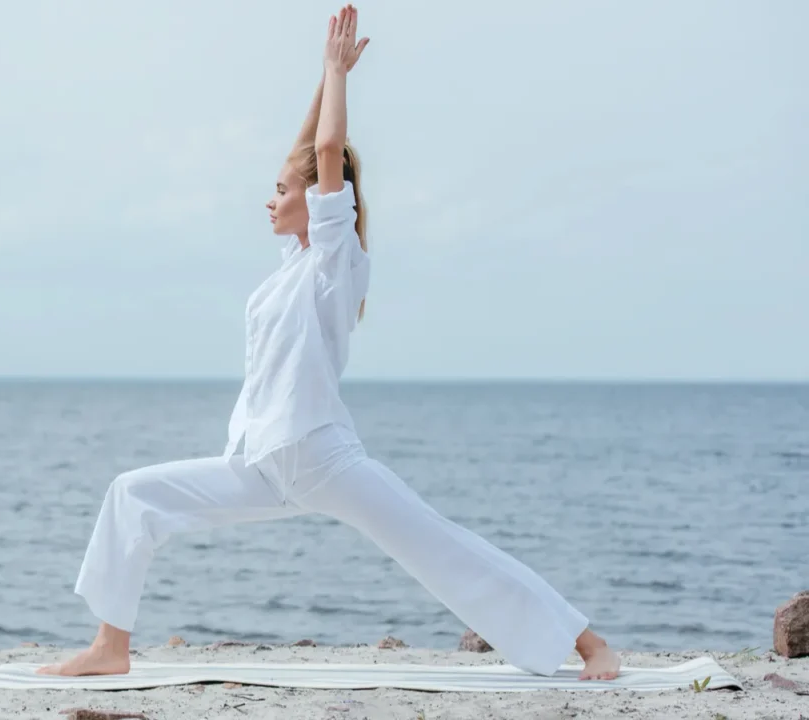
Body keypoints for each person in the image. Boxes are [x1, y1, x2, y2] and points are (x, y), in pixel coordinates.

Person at [39, 4, 620, 682]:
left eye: (280, 191)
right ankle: (110, 646)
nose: (268, 199)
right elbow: (306, 149)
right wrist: (321, 76)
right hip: (259, 460)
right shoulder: (290, 266)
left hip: (321, 456)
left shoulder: (333, 260)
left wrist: (338, 75)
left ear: (319, 200)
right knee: (132, 495)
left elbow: (322, 154)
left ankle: (589, 644)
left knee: (442, 549)